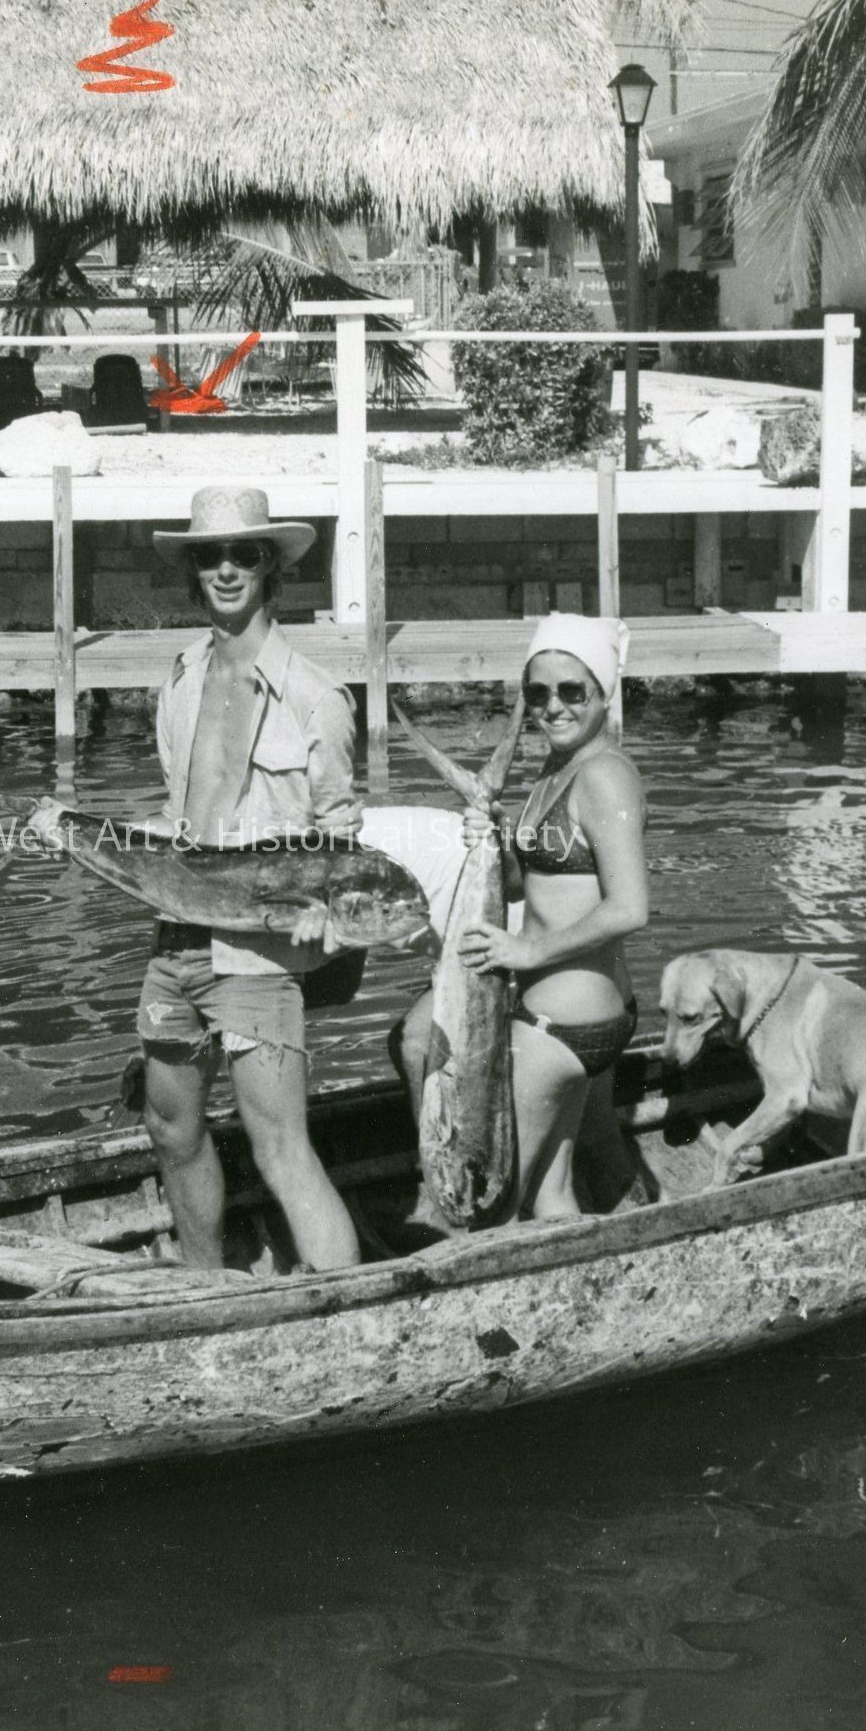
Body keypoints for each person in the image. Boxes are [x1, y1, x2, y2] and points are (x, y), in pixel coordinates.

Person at [128, 485, 362, 1272]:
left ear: (270, 567)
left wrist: (330, 922)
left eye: (243, 554)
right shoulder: (180, 677)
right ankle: (203, 1291)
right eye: (209, 556)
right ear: (193, 570)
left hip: (257, 957)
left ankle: (346, 1314)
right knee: (171, 1130)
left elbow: (340, 839)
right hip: (174, 943)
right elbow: (177, 811)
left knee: (280, 1147)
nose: (226, 570)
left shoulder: (316, 696)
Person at [396, 613, 653, 1219]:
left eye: (572, 691)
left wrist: (528, 952)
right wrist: (494, 841)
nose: (553, 707)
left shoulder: (606, 776)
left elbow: (630, 907)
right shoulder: (557, 768)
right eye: (538, 694)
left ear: (603, 691)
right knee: (548, 1193)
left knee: (488, 1210)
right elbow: (528, 885)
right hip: (561, 1017)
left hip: (563, 1024)